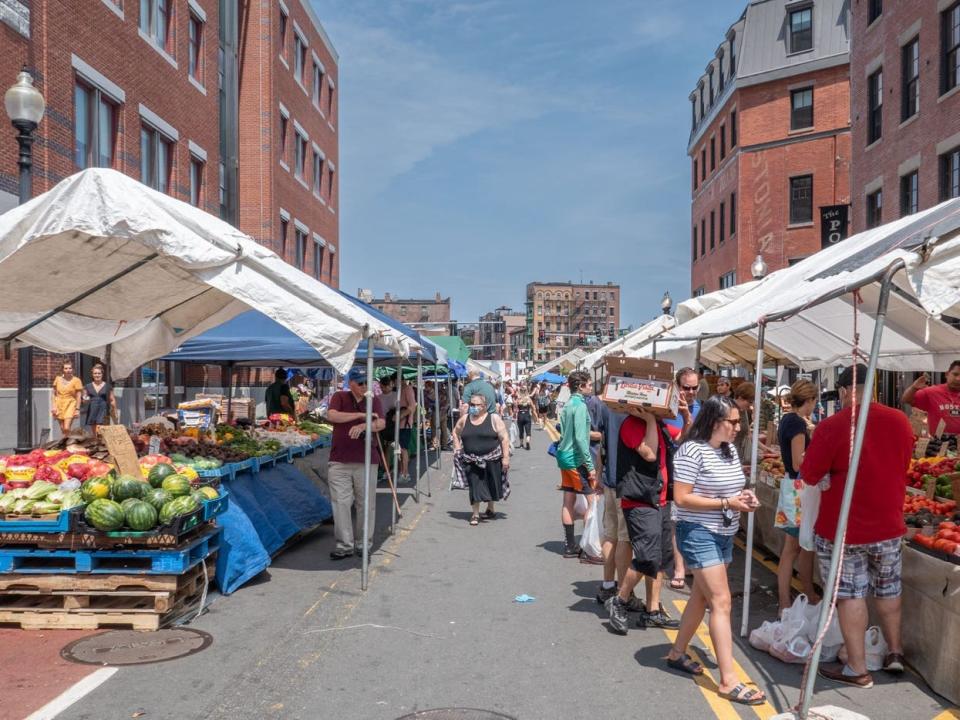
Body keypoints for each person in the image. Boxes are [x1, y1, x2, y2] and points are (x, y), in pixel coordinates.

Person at [800, 363, 914, 688]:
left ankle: (857, 668)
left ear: (846, 391)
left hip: (844, 528)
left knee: (851, 596)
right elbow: (904, 463)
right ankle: (894, 652)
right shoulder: (900, 420)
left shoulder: (833, 426)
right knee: (889, 589)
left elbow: (808, 474)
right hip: (889, 523)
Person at [665, 396, 766, 707]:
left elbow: (732, 488)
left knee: (702, 596)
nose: (738, 427)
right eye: (733, 422)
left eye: (739, 421)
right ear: (714, 421)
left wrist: (743, 497)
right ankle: (728, 680)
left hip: (723, 532)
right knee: (721, 601)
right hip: (697, 533)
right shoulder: (691, 451)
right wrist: (727, 503)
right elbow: (681, 498)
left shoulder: (729, 450)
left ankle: (677, 652)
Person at [605, 407, 682, 633]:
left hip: (661, 498)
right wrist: (649, 418)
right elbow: (649, 453)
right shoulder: (631, 424)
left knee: (660, 557)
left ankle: (653, 611)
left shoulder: (659, 425)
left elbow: (681, 436)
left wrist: (685, 416)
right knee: (647, 555)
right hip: (640, 499)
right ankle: (620, 600)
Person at [325, 368, 385, 560]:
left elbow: (381, 423)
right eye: (360, 383)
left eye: (366, 382)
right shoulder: (340, 397)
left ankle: (363, 543)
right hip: (339, 460)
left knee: (365, 503)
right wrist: (360, 416)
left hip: (366, 460)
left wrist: (364, 425)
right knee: (341, 503)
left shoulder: (374, 400)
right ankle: (344, 544)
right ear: (350, 383)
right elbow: (332, 416)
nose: (364, 386)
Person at [775, 379, 820, 614]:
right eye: (815, 401)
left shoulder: (787, 420)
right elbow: (798, 461)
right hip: (799, 491)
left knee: (796, 547)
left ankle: (802, 595)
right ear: (810, 400)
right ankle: (788, 599)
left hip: (791, 488)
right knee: (796, 547)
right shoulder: (797, 424)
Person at [665, 367, 701, 589]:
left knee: (696, 522)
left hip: (699, 473)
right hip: (677, 473)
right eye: (686, 387)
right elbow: (679, 441)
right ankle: (679, 568)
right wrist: (687, 416)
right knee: (678, 522)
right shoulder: (670, 409)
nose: (691, 392)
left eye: (694, 387)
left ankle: (693, 565)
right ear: (678, 386)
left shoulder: (703, 408)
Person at [452, 393, 511, 525]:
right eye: (472, 404)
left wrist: (506, 458)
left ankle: (490, 508)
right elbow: (455, 432)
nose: (474, 407)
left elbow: (504, 438)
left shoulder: (493, 418)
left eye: (477, 405)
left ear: (485, 406)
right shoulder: (465, 419)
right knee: (475, 486)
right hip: (471, 460)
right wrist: (457, 448)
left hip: (492, 458)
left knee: (491, 484)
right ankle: (475, 514)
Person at [556, 371, 597, 558]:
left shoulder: (567, 405)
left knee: (568, 500)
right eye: (589, 384)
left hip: (564, 456)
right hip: (576, 458)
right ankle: (589, 544)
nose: (591, 387)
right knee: (592, 501)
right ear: (580, 386)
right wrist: (590, 466)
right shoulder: (580, 406)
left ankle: (570, 545)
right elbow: (581, 439)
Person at [901, 361, 960, 436]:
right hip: (939, 444)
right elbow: (906, 399)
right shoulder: (932, 392)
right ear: (947, 374)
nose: (958, 379)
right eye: (955, 374)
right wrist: (913, 388)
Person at [81, 363, 118, 436]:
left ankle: (102, 445)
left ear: (102, 374)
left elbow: (112, 400)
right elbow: (84, 400)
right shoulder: (87, 386)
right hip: (92, 410)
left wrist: (115, 411)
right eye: (95, 373)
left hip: (103, 410)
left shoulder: (107, 386)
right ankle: (98, 446)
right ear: (92, 374)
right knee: (95, 434)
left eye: (99, 373)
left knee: (100, 431)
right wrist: (85, 400)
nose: (97, 375)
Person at [52, 360, 83, 436]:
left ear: (72, 369)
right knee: (62, 428)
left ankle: (70, 442)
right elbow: (54, 394)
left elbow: (78, 395)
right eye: (66, 368)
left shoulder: (76, 380)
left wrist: (77, 409)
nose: (68, 370)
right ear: (63, 369)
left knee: (66, 428)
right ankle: (67, 443)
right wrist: (54, 406)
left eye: (70, 368)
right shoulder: (58, 379)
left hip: (70, 403)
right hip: (59, 404)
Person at [397, 376, 417, 485]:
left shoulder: (408, 389)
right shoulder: (400, 389)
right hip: (399, 425)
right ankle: (402, 471)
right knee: (400, 449)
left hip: (405, 425)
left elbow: (412, 406)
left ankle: (405, 473)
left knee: (403, 449)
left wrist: (400, 416)